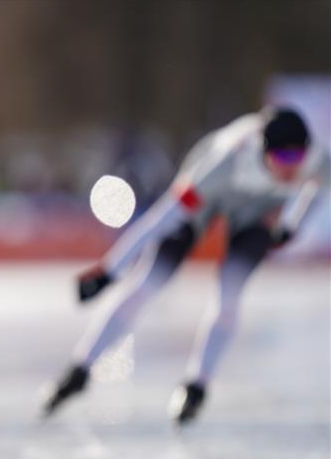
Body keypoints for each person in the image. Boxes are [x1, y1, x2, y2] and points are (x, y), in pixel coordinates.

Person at [43, 107, 329, 426]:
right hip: (204, 200)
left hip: (254, 213)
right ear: (264, 152)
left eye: (298, 157)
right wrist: (110, 270)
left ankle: (196, 387)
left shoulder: (316, 159)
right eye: (284, 159)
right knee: (149, 282)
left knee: (230, 292)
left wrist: (292, 225)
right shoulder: (222, 165)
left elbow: (318, 186)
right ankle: (80, 369)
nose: (293, 168)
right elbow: (163, 216)